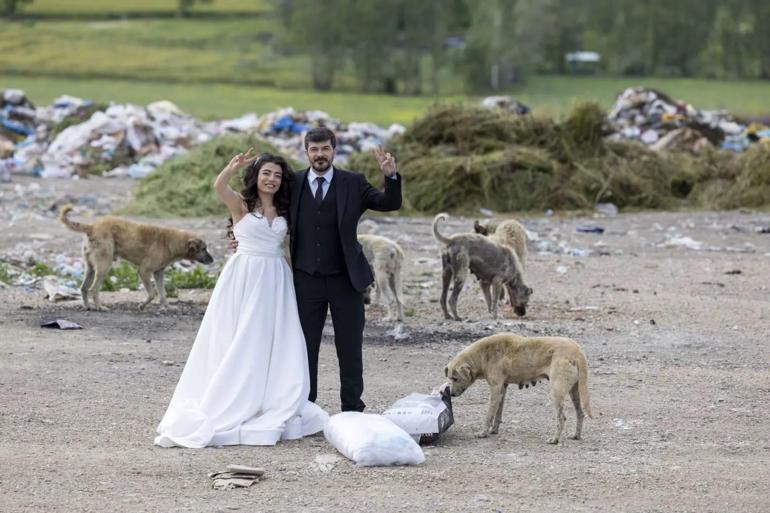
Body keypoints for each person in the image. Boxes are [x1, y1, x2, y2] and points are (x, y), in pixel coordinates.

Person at [154, 151, 328, 448]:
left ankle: (270, 394)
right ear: (257, 177)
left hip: (276, 276)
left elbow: (286, 247)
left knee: (274, 337)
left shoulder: (286, 209)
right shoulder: (242, 205)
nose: (271, 180)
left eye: (277, 175)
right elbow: (219, 187)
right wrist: (231, 168)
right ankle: (233, 393)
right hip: (245, 274)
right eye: (266, 174)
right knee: (239, 334)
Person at [289, 127, 401, 412]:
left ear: (334, 151)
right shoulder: (293, 183)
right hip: (306, 280)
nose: (320, 154)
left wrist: (390, 177)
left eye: (325, 149)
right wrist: (236, 229)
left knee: (349, 348)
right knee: (305, 348)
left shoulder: (353, 182)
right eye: (314, 150)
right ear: (306, 153)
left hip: (346, 280)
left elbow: (389, 203)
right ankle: (306, 406)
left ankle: (352, 408)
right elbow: (266, 210)